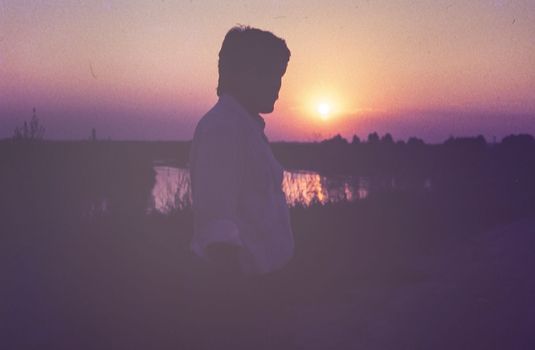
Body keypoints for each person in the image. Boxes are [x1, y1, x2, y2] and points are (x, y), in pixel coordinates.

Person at [183, 26, 294, 348]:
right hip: (246, 297)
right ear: (245, 72)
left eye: (280, 75)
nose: (278, 86)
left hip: (262, 291)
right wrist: (237, 311)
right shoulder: (224, 127)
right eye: (272, 74)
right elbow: (217, 225)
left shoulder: (242, 125)